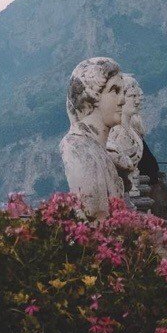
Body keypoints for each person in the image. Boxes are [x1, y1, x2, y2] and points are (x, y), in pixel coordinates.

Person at [59, 57, 126, 220]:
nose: (122, 100)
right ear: (92, 96)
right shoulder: (78, 149)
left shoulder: (97, 150)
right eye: (114, 91)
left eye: (122, 92)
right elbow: (94, 216)